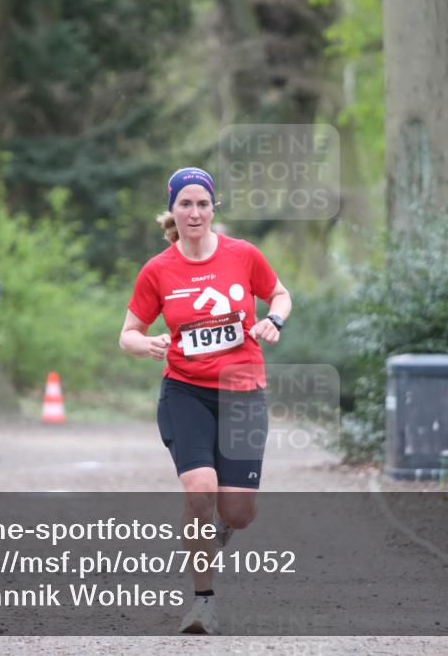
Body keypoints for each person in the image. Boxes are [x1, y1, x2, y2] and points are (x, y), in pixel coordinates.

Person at [120, 167, 291, 634]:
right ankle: (202, 603)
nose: (194, 213)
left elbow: (280, 294)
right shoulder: (157, 270)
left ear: (213, 209)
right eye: (185, 204)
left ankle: (221, 528)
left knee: (238, 512)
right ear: (172, 210)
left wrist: (274, 320)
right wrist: (147, 344)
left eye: (202, 204)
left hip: (243, 391)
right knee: (200, 491)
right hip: (185, 390)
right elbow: (127, 334)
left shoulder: (243, 255)